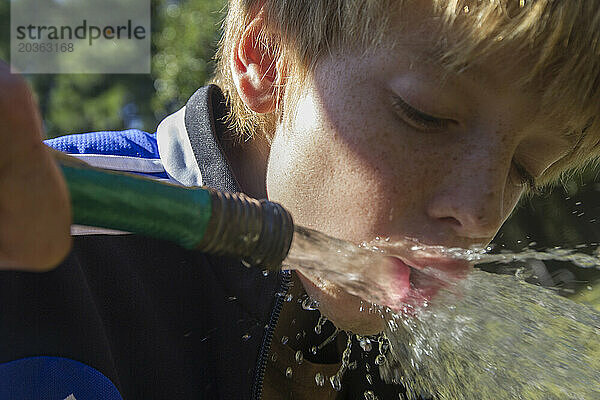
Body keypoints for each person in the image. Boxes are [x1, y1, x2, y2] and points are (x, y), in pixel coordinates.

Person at [1, 0, 599, 398]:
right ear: (267, 60)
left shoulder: (396, 365)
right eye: (428, 116)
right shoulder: (50, 249)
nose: (480, 213)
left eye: (524, 168)